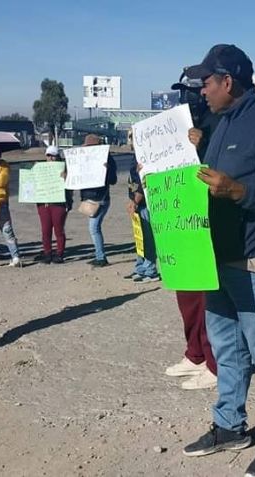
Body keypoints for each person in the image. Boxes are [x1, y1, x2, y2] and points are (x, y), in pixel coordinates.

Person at [180, 44, 255, 477]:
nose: (202, 91)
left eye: (206, 83)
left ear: (228, 80)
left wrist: (239, 192)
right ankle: (230, 424)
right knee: (228, 350)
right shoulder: (217, 123)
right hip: (214, 257)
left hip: (252, 257)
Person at [162, 75, 222, 391]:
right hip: (178, 217)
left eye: (194, 91)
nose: (189, 97)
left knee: (208, 297)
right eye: (183, 92)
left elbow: (227, 167)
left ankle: (215, 362)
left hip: (208, 220)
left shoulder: (219, 121)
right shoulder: (173, 125)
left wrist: (206, 145)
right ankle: (195, 353)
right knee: (186, 294)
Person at [124, 138, 160, 282]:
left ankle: (150, 270)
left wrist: (135, 201)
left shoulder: (147, 155)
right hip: (136, 202)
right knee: (140, 238)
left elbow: (143, 181)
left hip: (144, 203)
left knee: (148, 238)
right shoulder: (135, 156)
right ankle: (140, 267)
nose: (131, 141)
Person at [80, 134, 117, 268]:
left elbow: (113, 180)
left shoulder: (108, 160)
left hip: (100, 199)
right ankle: (99, 255)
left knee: (94, 228)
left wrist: (107, 170)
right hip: (91, 198)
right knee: (94, 228)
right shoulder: (84, 159)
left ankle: (101, 257)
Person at [34, 145, 72, 264]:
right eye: (49, 155)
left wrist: (66, 178)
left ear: (58, 157)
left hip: (59, 203)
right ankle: (47, 253)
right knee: (45, 230)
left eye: (53, 156)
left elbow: (70, 186)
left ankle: (59, 253)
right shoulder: (40, 168)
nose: (51, 158)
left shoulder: (64, 169)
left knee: (59, 229)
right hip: (43, 203)